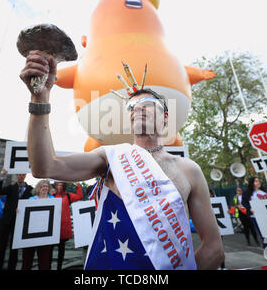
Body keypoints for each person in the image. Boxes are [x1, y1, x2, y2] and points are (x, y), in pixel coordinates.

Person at [19, 51, 224, 270]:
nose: (137, 109)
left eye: (146, 103)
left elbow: (213, 247)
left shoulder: (189, 170)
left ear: (165, 115)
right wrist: (40, 98)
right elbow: (45, 167)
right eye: (131, 107)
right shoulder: (111, 157)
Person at [0, 168, 33, 270]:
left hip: (20, 221)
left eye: (23, 174)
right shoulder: (11, 187)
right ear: (17, 175)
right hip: (6, 220)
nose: (21, 176)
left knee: (14, 247)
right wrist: (1, 176)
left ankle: (12, 267)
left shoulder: (30, 189)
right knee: (1, 246)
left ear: (25, 175)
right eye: (19, 174)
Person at [242, 176, 267, 265]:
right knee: (266, 239)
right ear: (251, 183)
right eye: (256, 181)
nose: (258, 182)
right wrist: (250, 208)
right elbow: (244, 203)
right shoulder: (248, 193)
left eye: (259, 181)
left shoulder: (265, 191)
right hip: (257, 218)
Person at [49, 181, 83, 270]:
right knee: (49, 251)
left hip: (63, 228)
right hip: (52, 228)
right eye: (58, 185)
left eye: (61, 184)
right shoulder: (52, 195)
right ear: (55, 186)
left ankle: (59, 268)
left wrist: (78, 186)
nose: (59, 186)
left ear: (64, 186)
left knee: (61, 250)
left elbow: (79, 196)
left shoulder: (68, 195)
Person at [22, 179, 54, 270]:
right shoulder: (31, 199)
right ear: (38, 188)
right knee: (27, 259)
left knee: (44, 261)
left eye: (46, 186)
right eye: (42, 186)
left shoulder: (53, 199)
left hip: (46, 233)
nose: (44, 188)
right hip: (31, 232)